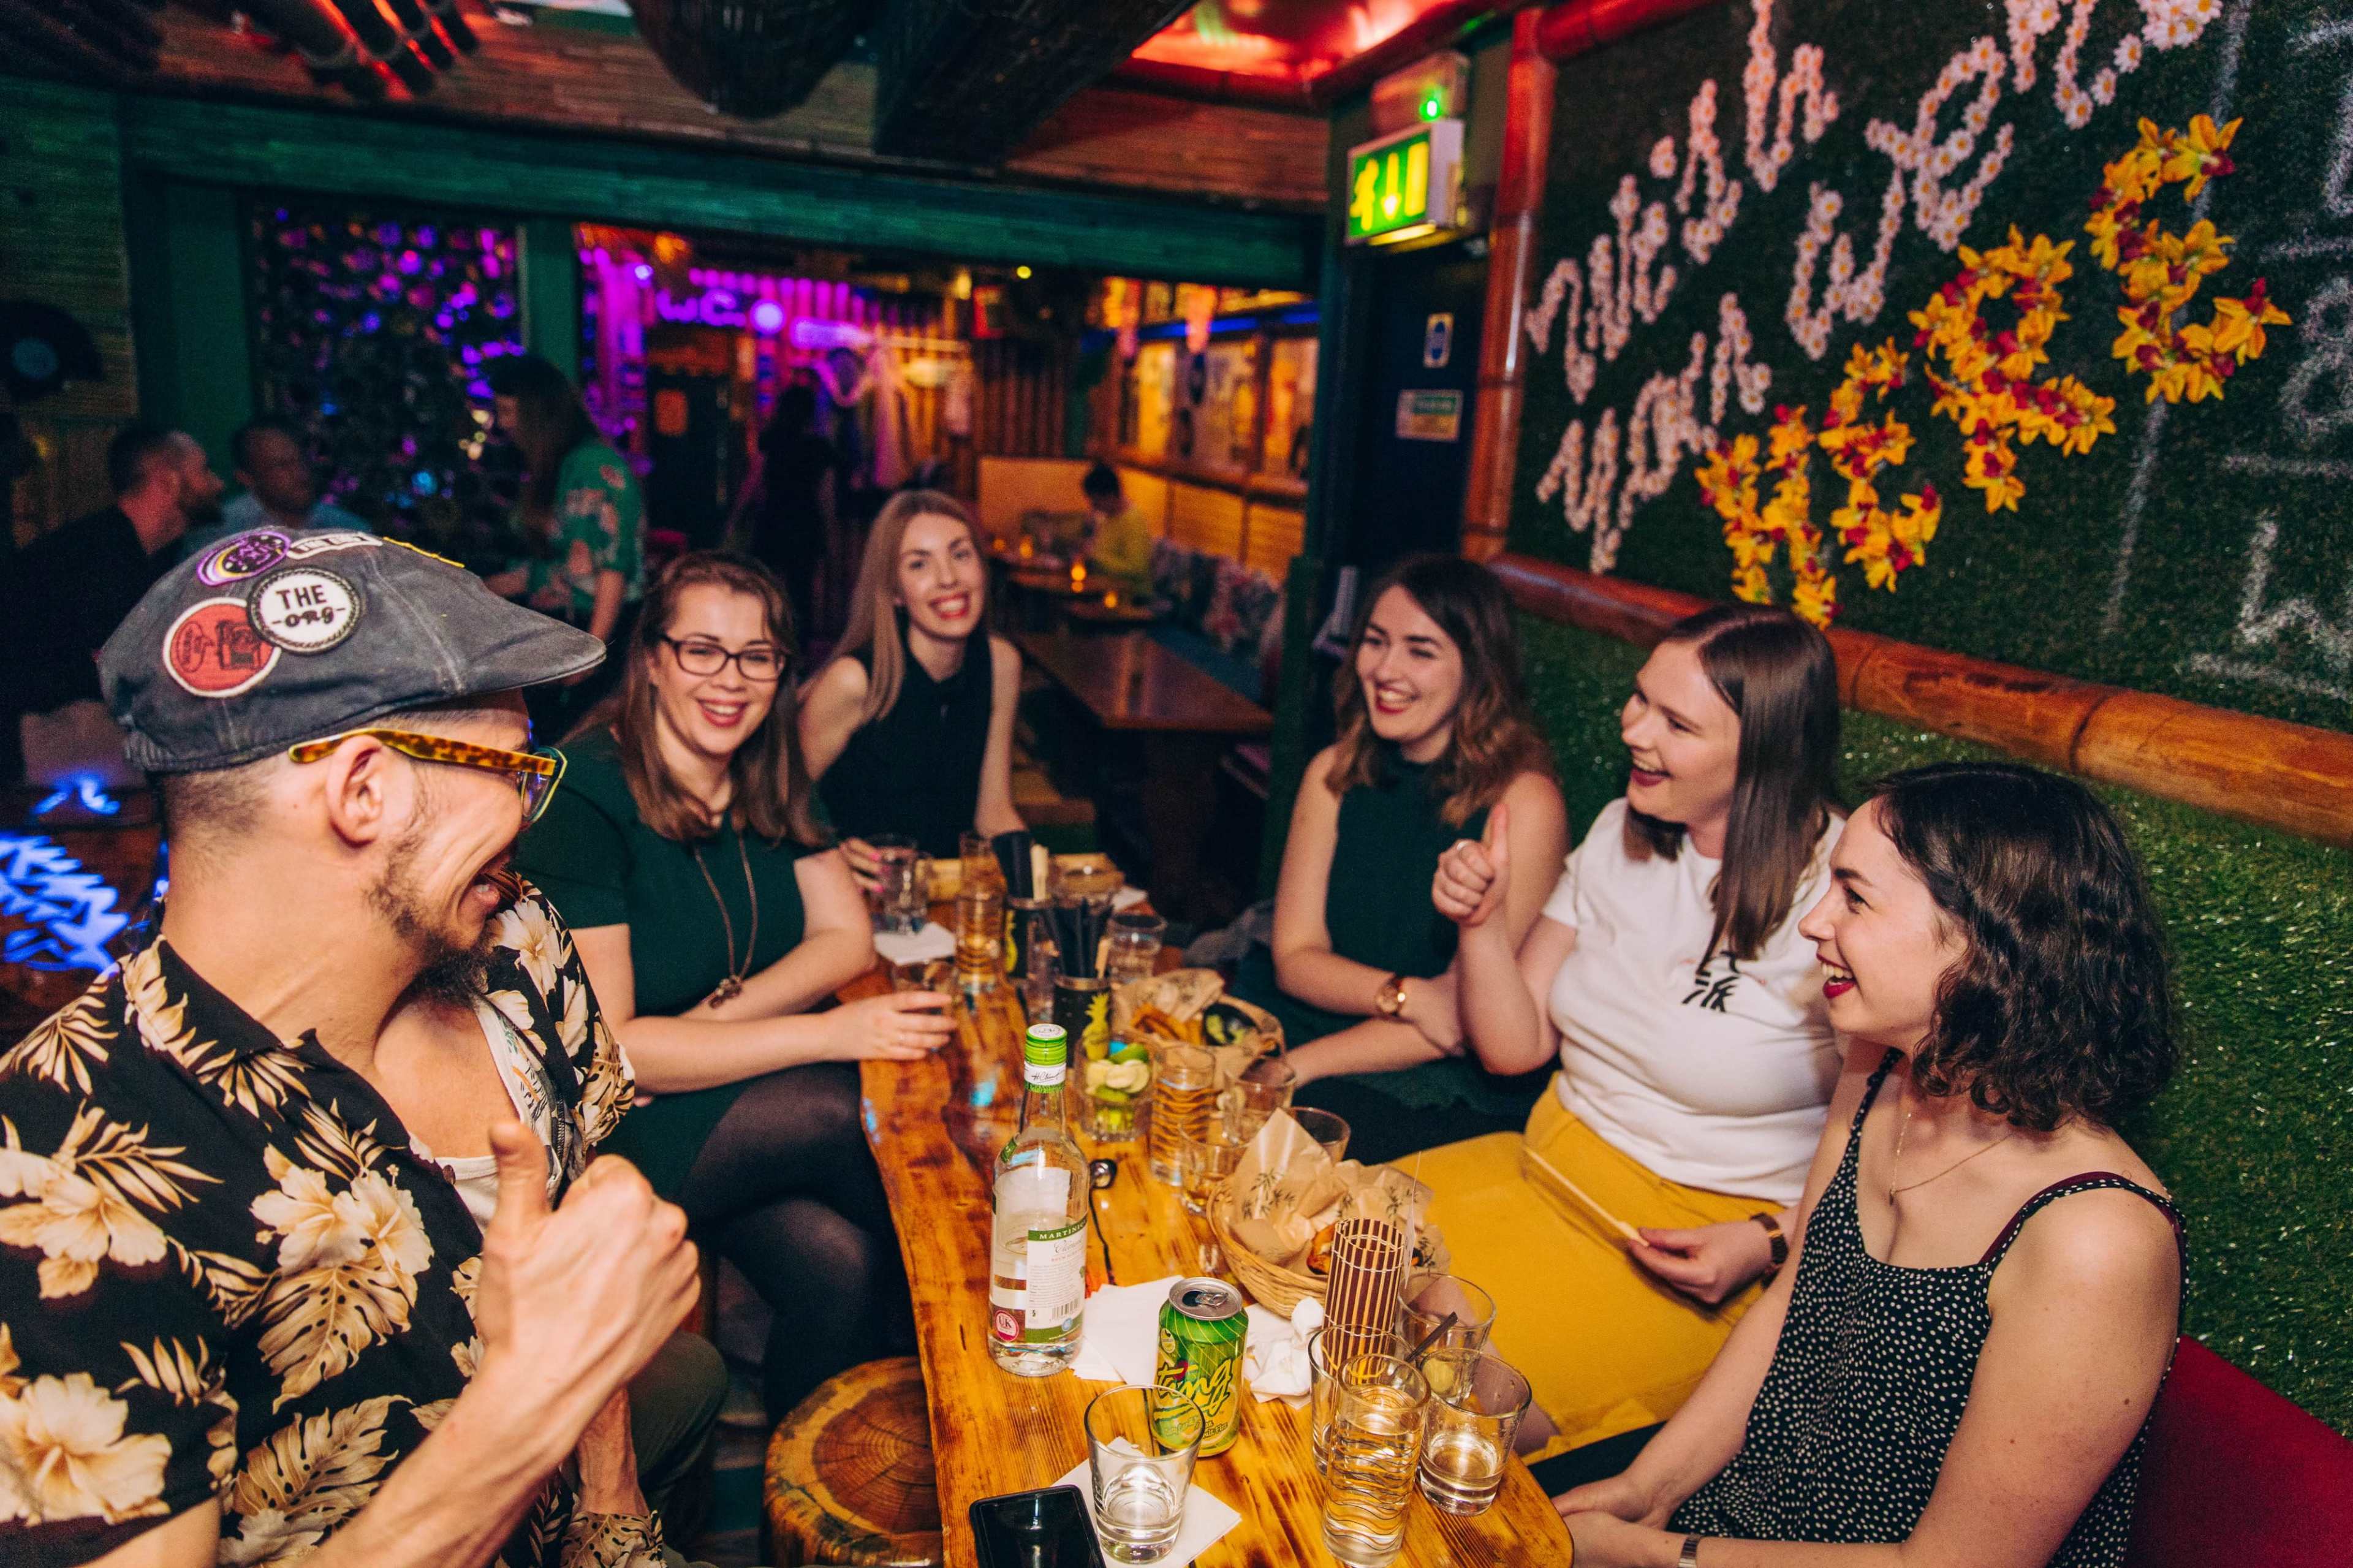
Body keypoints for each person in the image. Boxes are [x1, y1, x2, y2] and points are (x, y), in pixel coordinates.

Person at [0, 531, 699, 1565]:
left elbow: (578, 1251)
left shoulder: (515, 937)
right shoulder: (56, 1174)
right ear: (364, 790)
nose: (527, 811)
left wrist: (613, 1513)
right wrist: (529, 1403)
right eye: (514, 767)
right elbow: (558, 1368)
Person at [1556, 763, 2183, 1568]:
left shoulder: (2098, 1237)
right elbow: (1795, 1302)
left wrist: (1647, 1554)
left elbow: (1956, 1564)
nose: (1814, 922)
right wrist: (1647, 1487)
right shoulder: (1883, 1064)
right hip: (1744, 1524)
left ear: (1985, 936)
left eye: (1854, 897)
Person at [514, 550, 953, 1420]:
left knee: (842, 1264)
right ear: (652, 658)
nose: (732, 679)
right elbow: (618, 1050)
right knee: (846, 1110)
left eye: (757, 655)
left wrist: (715, 1020)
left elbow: (846, 937)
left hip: (727, 1094)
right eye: (702, 650)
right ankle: (976, 1309)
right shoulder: (585, 792)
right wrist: (825, 1031)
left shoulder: (766, 769)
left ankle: (806, 1485)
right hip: (606, 1129)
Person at [1415, 602, 1846, 1460]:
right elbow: (1515, 1045)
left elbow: (1903, 1149)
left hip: (1683, 1249)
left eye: (1676, 723)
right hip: (1541, 1165)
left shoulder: (1840, 890)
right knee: (1326, 1259)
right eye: (1640, 698)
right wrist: (1481, 923)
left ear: (1766, 752)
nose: (1634, 729)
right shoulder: (1621, 828)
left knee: (1457, 1413)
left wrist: (1770, 1239)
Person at [376, 885, 728, 1545]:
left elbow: (587, 1161)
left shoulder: (518, 922)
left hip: (568, 1408)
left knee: (696, 1372)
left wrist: (610, 1468)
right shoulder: (210, 1108)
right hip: (440, 1488)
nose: (518, 839)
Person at [1227, 555, 1567, 1165]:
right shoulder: (1334, 772)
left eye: (1420, 650)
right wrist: (1406, 994)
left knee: (1283, 1156)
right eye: (1376, 641)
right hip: (1318, 1017)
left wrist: (1294, 1068)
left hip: (1428, 1072)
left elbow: (1464, 1021)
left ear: (1478, 669)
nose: (1385, 669)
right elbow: (1295, 958)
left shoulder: (1525, 803)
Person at [798, 490, 1024, 869]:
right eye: (919, 564)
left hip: (944, 889)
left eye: (961, 554)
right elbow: (776, 811)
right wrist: (833, 854)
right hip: (856, 892)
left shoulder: (1001, 664)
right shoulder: (855, 681)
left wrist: (1037, 883)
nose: (948, 578)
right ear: (894, 592)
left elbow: (994, 813)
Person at [7, 423, 222, 786]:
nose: (217, 484)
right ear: (170, 481)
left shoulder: (151, 557)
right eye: (204, 470)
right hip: (58, 756)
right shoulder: (85, 561)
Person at [483, 354, 645, 732]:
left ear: (537, 413)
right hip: (569, 628)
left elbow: (613, 566)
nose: (502, 423)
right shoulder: (562, 466)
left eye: (508, 411)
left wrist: (593, 650)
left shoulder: (593, 467)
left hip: (594, 630)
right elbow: (562, 566)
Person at [728, 380, 839, 642]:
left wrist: (736, 516)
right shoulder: (820, 448)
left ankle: (759, 634)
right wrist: (829, 533)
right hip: (805, 522)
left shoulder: (772, 440)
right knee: (801, 592)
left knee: (763, 584)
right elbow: (826, 497)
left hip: (773, 519)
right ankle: (798, 647)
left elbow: (753, 482)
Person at [182, 413, 371, 556]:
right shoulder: (219, 535)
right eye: (282, 465)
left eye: (302, 460)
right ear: (247, 478)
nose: (300, 473)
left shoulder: (348, 528)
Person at [1079, 461, 1153, 601]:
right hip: (1105, 590)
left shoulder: (1133, 522)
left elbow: (1137, 570)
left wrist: (1095, 557)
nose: (1093, 507)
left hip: (1131, 596)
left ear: (1110, 496)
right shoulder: (1105, 517)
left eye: (1096, 502)